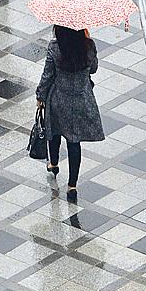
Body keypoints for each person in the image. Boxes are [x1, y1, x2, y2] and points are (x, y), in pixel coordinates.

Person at [36, 26, 104, 201]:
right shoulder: (88, 46)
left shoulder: (55, 48)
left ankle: (54, 163)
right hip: (81, 99)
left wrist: (40, 95)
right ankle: (72, 185)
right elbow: (94, 68)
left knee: (55, 131)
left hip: (58, 98)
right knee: (74, 142)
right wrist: (88, 40)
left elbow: (47, 75)